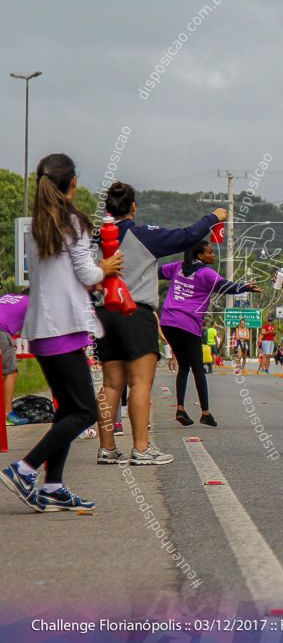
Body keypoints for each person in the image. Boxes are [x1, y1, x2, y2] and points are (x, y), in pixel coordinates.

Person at [2, 153, 122, 510]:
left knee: (68, 409)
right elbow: (87, 275)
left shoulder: (39, 224)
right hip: (65, 327)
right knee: (84, 412)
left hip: (40, 330)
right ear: (73, 183)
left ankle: (53, 486)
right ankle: (24, 470)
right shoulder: (73, 221)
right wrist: (107, 267)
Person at [94, 181, 226, 466]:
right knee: (140, 382)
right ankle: (141, 448)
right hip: (135, 312)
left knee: (111, 384)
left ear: (107, 208)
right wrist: (215, 216)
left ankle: (107, 448)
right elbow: (188, 235)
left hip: (103, 314)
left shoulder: (96, 238)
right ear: (133, 207)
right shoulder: (143, 235)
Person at [160, 240, 261, 427]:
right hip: (187, 322)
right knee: (198, 368)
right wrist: (245, 287)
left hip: (167, 321)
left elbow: (155, 272)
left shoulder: (178, 267)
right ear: (201, 256)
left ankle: (180, 408)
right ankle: (205, 413)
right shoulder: (206, 273)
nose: (214, 255)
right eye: (211, 252)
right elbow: (225, 287)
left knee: (183, 366)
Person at [0, 290, 30, 425]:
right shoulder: (31, 302)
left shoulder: (7, 297)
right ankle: (7, 413)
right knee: (10, 372)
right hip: (1, 331)